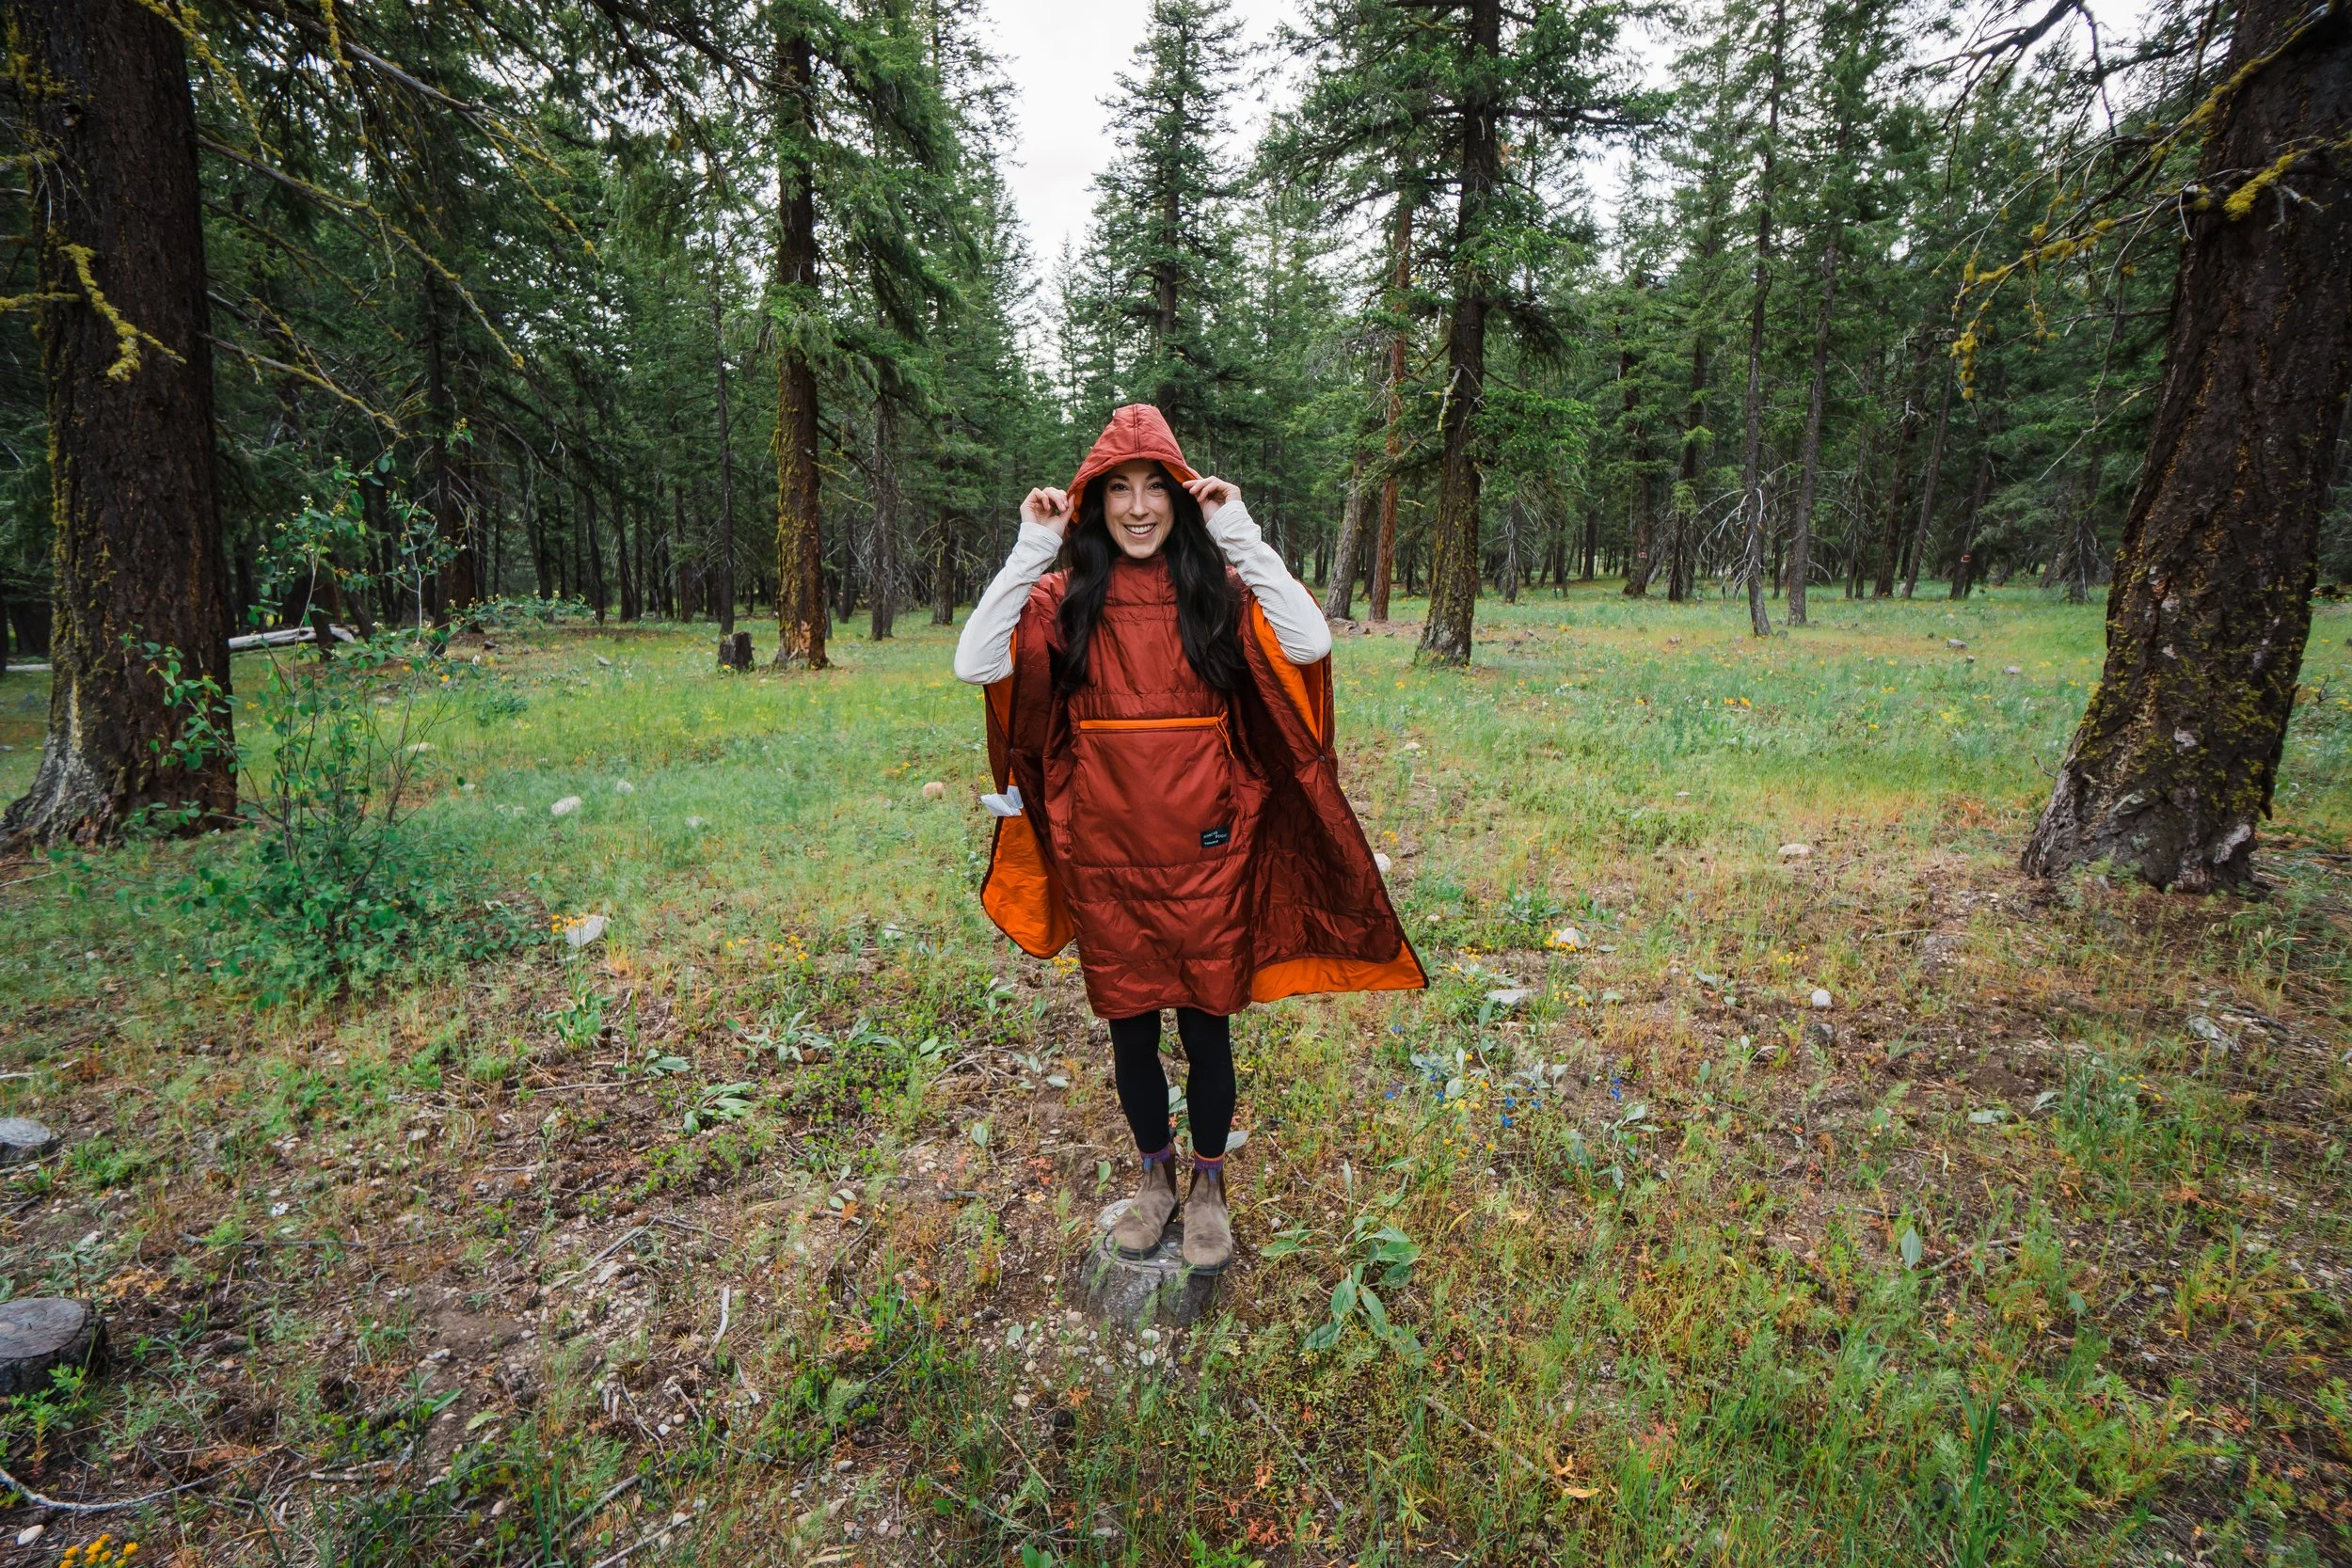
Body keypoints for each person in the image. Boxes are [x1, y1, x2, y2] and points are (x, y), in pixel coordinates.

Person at [955, 404, 1422, 1273]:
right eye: (1119, 490)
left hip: (1209, 852)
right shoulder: (1065, 599)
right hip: (1104, 856)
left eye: (1155, 489)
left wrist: (1237, 531)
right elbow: (976, 661)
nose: (1138, 508)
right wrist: (1032, 547)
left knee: (1207, 1032)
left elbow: (1312, 639)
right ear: (1095, 503)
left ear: (1180, 498)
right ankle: (1154, 1178)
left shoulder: (1217, 592)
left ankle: (1209, 1185)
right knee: (1131, 1033)